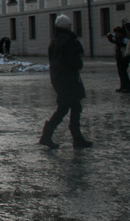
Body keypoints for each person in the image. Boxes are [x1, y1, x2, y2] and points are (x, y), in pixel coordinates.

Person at [39, 15, 92, 149]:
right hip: (68, 79)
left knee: (70, 107)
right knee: (66, 108)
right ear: (66, 26)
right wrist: (78, 59)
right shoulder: (68, 40)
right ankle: (49, 136)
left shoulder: (55, 39)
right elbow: (74, 62)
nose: (71, 26)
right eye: (69, 24)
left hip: (59, 78)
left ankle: (73, 138)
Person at [107, 26, 130, 93]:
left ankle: (127, 87)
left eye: (117, 32)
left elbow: (123, 44)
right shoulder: (118, 38)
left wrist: (116, 40)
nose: (116, 34)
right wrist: (110, 38)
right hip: (119, 57)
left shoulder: (125, 38)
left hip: (124, 57)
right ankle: (123, 86)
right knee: (121, 72)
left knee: (124, 72)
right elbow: (114, 42)